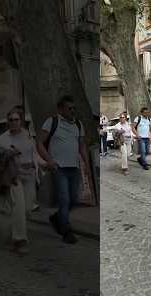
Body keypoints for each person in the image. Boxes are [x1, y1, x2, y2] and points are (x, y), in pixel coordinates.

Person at [37, 95, 89, 244]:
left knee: (74, 199)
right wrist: (49, 160)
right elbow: (39, 143)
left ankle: (57, 217)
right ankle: (66, 231)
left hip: (74, 168)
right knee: (64, 199)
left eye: (74, 108)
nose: (72, 111)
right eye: (69, 108)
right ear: (60, 109)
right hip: (59, 168)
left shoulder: (78, 124)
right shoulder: (52, 122)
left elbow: (82, 145)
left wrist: (85, 164)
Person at [0, 108, 43, 254]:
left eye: (16, 120)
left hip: (29, 175)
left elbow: (34, 154)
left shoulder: (27, 135)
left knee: (27, 209)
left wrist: (46, 164)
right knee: (19, 206)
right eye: (11, 120)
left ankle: (12, 229)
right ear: (7, 122)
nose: (14, 123)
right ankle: (19, 240)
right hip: (14, 176)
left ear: (21, 121)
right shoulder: (2, 139)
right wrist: (8, 154)